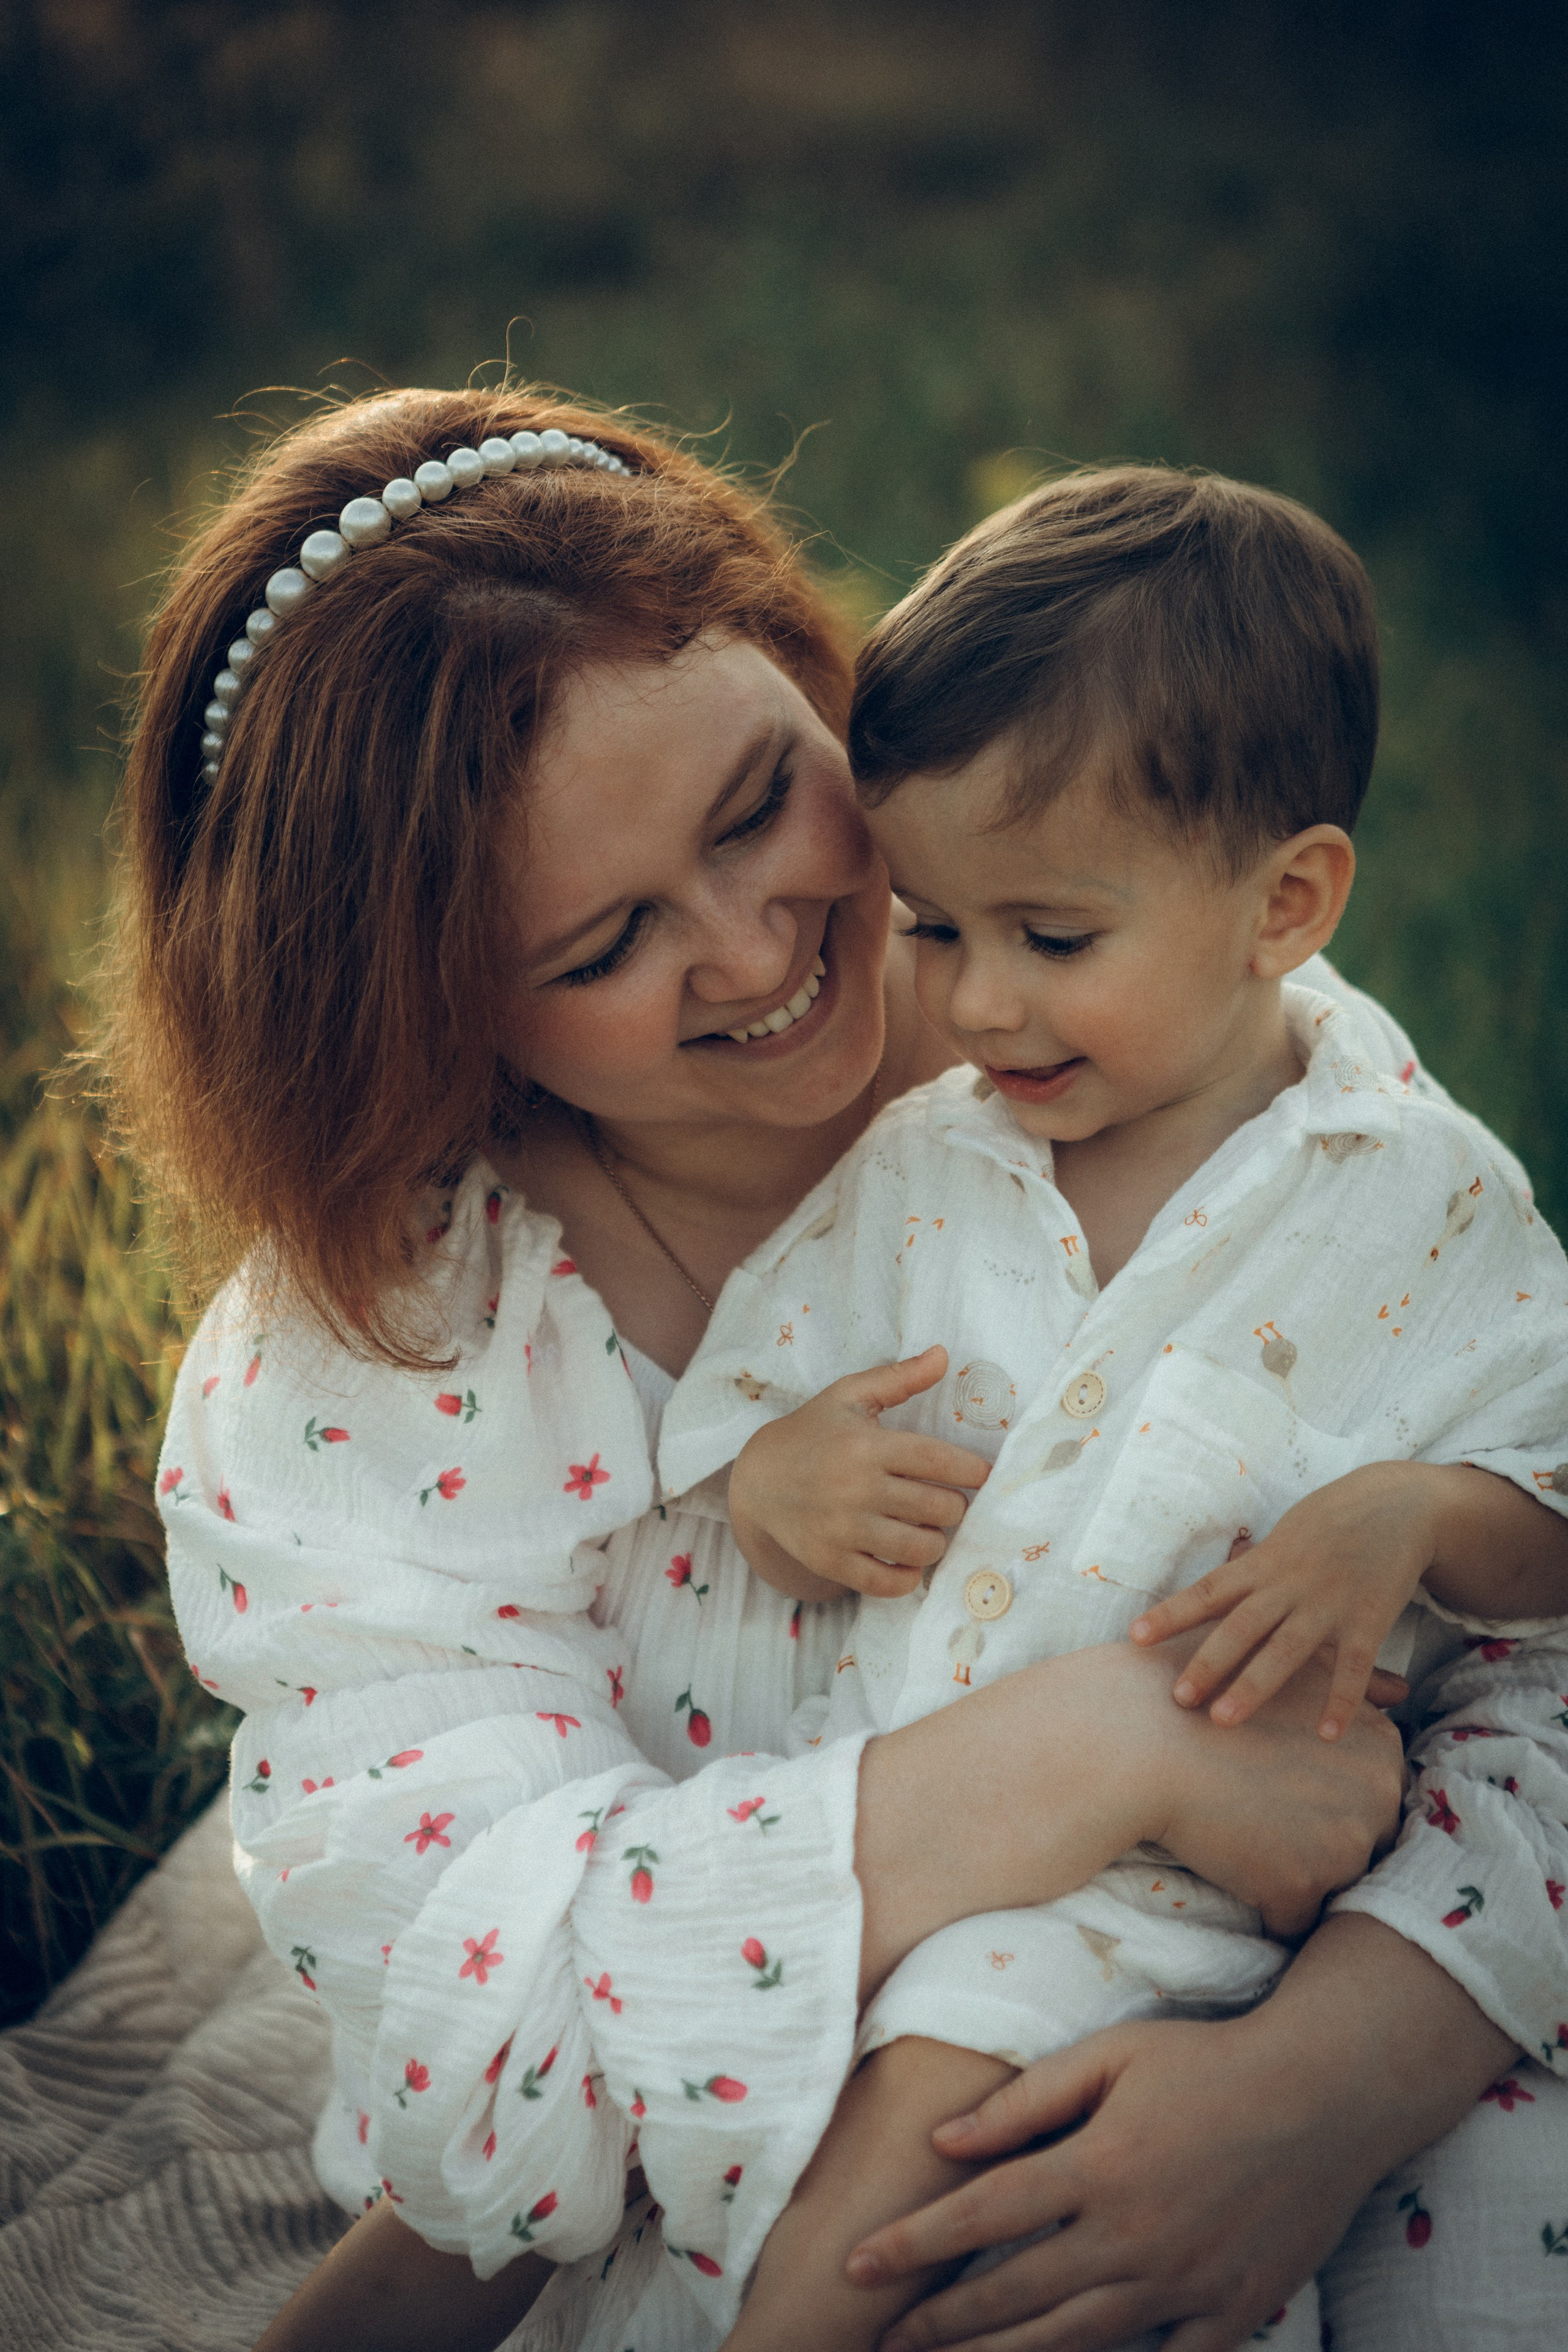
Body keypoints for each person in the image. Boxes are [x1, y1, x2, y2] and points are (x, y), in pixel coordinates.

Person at [108, 385, 1567, 2352]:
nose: (758, 949)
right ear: (432, 1006)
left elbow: (1526, 1649)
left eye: (754, 808)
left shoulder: (1199, 1054)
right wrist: (1106, 1752)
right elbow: (507, 2064)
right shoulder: (392, 1361)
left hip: (1305, 2004)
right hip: (766, 2144)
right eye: (609, 940)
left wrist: (1323, 2084)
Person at [655, 469, 1568, 2351]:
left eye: (1052, 938)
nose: (979, 1002)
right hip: (939, 1836)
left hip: (1244, 1891)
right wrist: (775, 1475)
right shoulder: (927, 1169)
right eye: (933, 929)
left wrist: (1409, 1510)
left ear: (1285, 904)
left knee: (946, 2135)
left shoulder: (1417, 1194)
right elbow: (752, 1381)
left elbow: (1553, 1512)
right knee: (799, 2131)